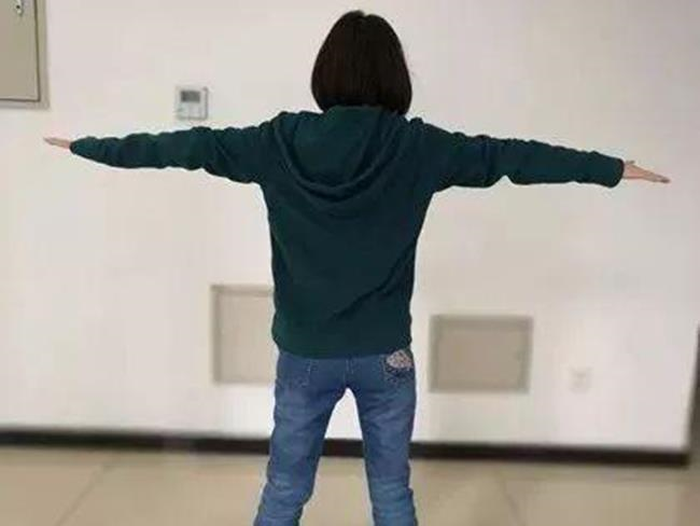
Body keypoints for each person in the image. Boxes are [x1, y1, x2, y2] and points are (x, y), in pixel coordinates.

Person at [44, 9, 669, 526]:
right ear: (395, 76)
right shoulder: (418, 146)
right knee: (392, 494)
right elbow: (511, 157)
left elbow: (185, 148)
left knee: (284, 491)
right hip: (385, 356)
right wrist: (612, 168)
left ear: (325, 73)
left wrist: (92, 148)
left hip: (304, 353)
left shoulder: (277, 141)